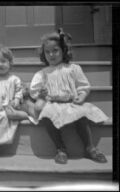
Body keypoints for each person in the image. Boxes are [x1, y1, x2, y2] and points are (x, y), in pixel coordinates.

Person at [29, 28, 109, 164]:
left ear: (63, 51)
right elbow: (34, 90)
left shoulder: (73, 69)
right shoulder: (42, 73)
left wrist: (82, 96)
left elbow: (83, 86)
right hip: (52, 104)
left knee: (81, 115)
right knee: (46, 116)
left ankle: (89, 147)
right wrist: (40, 95)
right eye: (47, 52)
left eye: (55, 50)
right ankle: (61, 148)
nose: (51, 55)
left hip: (71, 102)